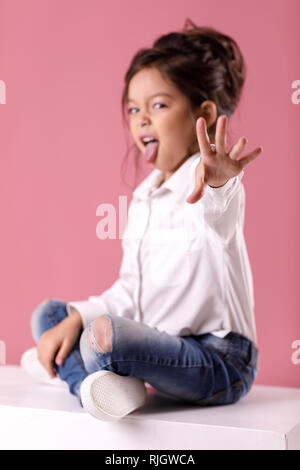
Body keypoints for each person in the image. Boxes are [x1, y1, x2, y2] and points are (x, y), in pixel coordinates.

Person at [24, 18, 262, 421]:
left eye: (159, 105)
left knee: (105, 339)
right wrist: (79, 316)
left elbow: (221, 216)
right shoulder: (144, 198)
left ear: (202, 114)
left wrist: (221, 184)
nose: (142, 119)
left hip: (220, 362)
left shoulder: (209, 182)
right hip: (161, 348)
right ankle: (96, 387)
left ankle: (76, 373)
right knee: (50, 316)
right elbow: (129, 292)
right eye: (134, 108)